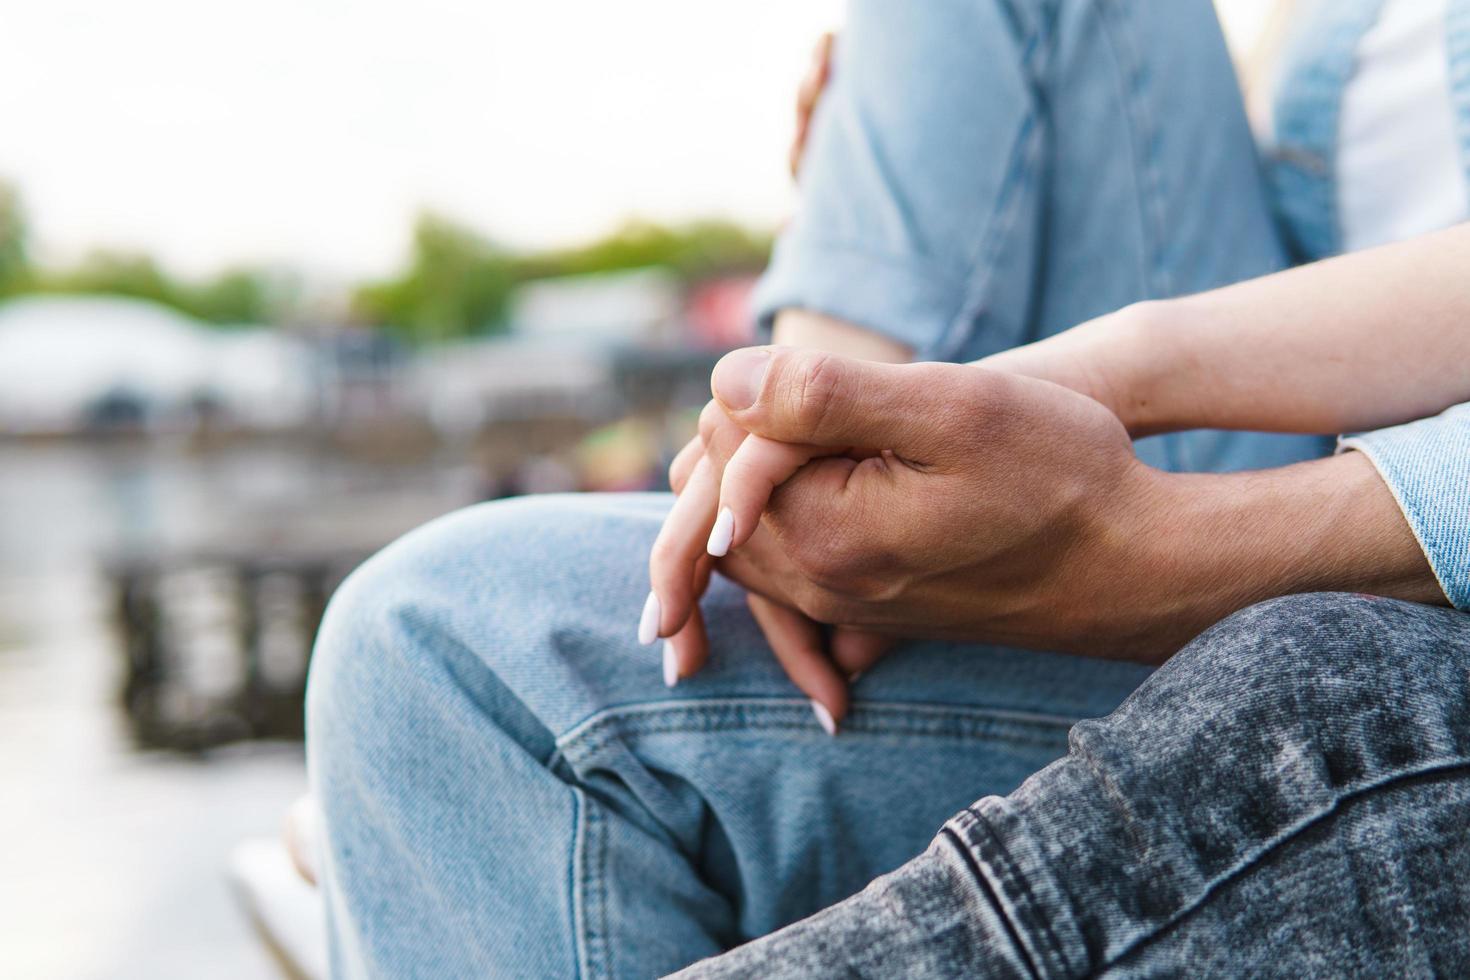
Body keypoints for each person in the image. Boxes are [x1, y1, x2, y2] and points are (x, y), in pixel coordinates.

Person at [306, 0, 1470, 975]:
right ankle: (796, 459)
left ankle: (797, 456)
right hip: (1316, 418)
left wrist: (1170, 532)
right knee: (455, 644)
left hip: (1399, 579)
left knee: (460, 656)